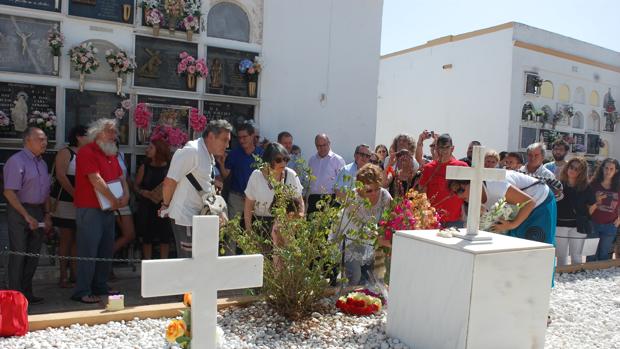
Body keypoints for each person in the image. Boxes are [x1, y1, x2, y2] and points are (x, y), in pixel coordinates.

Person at [72, 119, 129, 304]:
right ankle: (83, 290)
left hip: (108, 209)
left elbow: (121, 177)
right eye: (110, 132)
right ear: (97, 134)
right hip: (90, 208)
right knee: (88, 250)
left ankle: (100, 285)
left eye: (114, 132)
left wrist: (126, 195)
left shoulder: (111, 153)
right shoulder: (86, 152)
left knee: (105, 249)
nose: (114, 136)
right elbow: (95, 179)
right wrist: (114, 199)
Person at [162, 120, 233, 258]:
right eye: (224, 140)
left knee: (200, 262)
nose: (227, 145)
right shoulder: (192, 151)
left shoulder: (208, 154)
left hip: (200, 217)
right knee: (188, 263)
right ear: (211, 136)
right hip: (185, 218)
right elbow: (169, 182)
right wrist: (165, 205)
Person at [3, 127, 52, 304]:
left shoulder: (42, 163)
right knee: (19, 253)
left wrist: (47, 214)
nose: (44, 143)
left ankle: (26, 293)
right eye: (40, 139)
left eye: (45, 139)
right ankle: (14, 296)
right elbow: (9, 192)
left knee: (33, 254)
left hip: (38, 210)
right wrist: (26, 216)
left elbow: (45, 192)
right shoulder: (16, 161)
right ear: (28, 141)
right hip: (19, 210)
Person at [448, 169, 556, 245]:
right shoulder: (475, 197)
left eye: (461, 190)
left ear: (473, 182)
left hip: (540, 201)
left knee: (537, 244)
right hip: (521, 207)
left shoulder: (496, 185)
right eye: (455, 193)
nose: (459, 196)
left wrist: (512, 225)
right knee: (517, 242)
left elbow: (529, 202)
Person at [335, 164, 392, 286]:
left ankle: (375, 301)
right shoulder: (353, 199)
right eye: (369, 190)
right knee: (354, 277)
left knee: (379, 275)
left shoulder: (384, 196)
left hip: (374, 238)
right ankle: (342, 301)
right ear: (360, 188)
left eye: (377, 189)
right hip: (350, 238)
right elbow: (362, 227)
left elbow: (387, 219)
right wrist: (384, 241)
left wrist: (387, 238)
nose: (374, 193)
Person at [51, 125, 89, 288]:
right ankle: (62, 275)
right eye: (87, 135)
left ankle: (75, 273)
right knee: (66, 238)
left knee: (77, 239)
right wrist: (75, 193)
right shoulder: (66, 152)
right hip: (67, 201)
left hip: (83, 202)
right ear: (79, 136)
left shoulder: (88, 154)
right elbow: (60, 175)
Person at [244, 143, 304, 241]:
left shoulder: (291, 175)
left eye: (286, 159)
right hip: (261, 225)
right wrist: (249, 232)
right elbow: (248, 205)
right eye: (278, 160)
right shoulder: (256, 176)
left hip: (286, 226)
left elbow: (300, 201)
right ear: (268, 160)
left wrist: (298, 222)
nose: (283, 163)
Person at [418, 134, 468, 228]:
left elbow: (468, 191)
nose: (444, 151)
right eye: (441, 147)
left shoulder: (462, 167)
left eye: (447, 147)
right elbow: (422, 193)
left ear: (452, 149)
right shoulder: (428, 168)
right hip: (433, 220)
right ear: (436, 148)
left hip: (455, 220)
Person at [217, 122, 263, 222]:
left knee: (255, 228)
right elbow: (226, 176)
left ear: (252, 136)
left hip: (256, 198)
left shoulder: (261, 154)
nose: (242, 140)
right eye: (239, 137)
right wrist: (221, 164)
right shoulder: (234, 154)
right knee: (233, 230)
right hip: (236, 197)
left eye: (244, 137)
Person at [134, 140, 172, 260]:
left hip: (165, 206)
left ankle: (163, 264)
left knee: (165, 237)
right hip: (147, 207)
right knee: (147, 237)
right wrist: (142, 192)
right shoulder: (144, 167)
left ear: (159, 150)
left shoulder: (169, 167)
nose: (147, 150)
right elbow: (135, 185)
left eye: (150, 148)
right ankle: (147, 264)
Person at [555, 157, 596, 266]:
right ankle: (562, 279)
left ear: (582, 172)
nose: (572, 170)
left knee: (577, 256)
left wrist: (585, 217)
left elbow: (593, 204)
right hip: (560, 225)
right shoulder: (558, 185)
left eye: (577, 169)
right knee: (561, 256)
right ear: (567, 167)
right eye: (571, 167)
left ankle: (575, 277)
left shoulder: (586, 187)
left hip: (578, 226)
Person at [587, 158, 620, 261]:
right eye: (606, 168)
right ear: (602, 169)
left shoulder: (618, 186)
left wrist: (619, 219)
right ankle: (588, 275)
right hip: (593, 224)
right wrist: (596, 201)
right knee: (591, 254)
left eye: (611, 169)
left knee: (604, 255)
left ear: (616, 171)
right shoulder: (593, 184)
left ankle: (601, 277)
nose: (608, 171)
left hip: (610, 225)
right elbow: (587, 206)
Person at [307, 134, 345, 214]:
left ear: (329, 143)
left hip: (330, 198)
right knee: (311, 225)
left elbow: (342, 183)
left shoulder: (337, 160)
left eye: (324, 145)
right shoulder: (312, 160)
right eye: (319, 146)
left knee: (329, 226)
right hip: (313, 199)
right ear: (315, 146)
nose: (322, 148)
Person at [113, 144, 135, 265]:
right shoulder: (103, 156)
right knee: (125, 234)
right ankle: (104, 262)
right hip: (111, 199)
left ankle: (105, 260)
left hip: (124, 198)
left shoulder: (121, 155)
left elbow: (125, 177)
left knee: (128, 234)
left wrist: (133, 191)